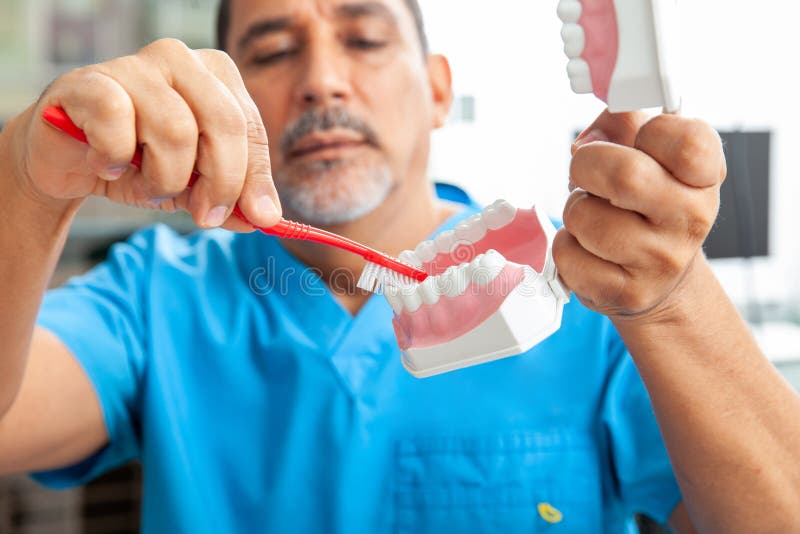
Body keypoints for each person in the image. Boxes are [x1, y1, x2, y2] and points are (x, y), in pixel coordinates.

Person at [0, 0, 798, 531]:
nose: (321, 80)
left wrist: (672, 302)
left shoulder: (602, 295)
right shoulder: (157, 297)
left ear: (439, 91)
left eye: (365, 39)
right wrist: (25, 180)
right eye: (272, 52)